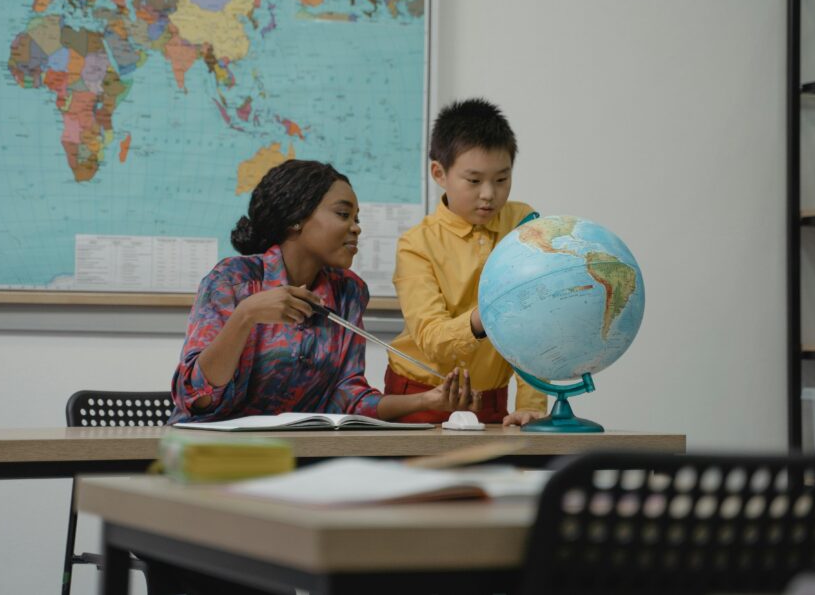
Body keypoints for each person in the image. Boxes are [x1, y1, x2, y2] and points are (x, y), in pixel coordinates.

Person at [168, 159, 479, 424]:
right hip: (209, 457)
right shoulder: (231, 280)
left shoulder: (349, 292)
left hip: (296, 459)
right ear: (296, 219)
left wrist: (429, 401)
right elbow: (194, 396)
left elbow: (348, 398)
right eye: (343, 215)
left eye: (357, 218)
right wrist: (246, 315)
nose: (356, 227)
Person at [384, 98, 548, 426]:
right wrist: (486, 317)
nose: (489, 193)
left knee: (495, 478)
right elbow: (431, 338)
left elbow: (532, 326)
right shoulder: (416, 245)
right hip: (421, 394)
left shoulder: (523, 224)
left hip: (491, 398)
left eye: (501, 179)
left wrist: (531, 405)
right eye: (473, 181)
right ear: (439, 173)